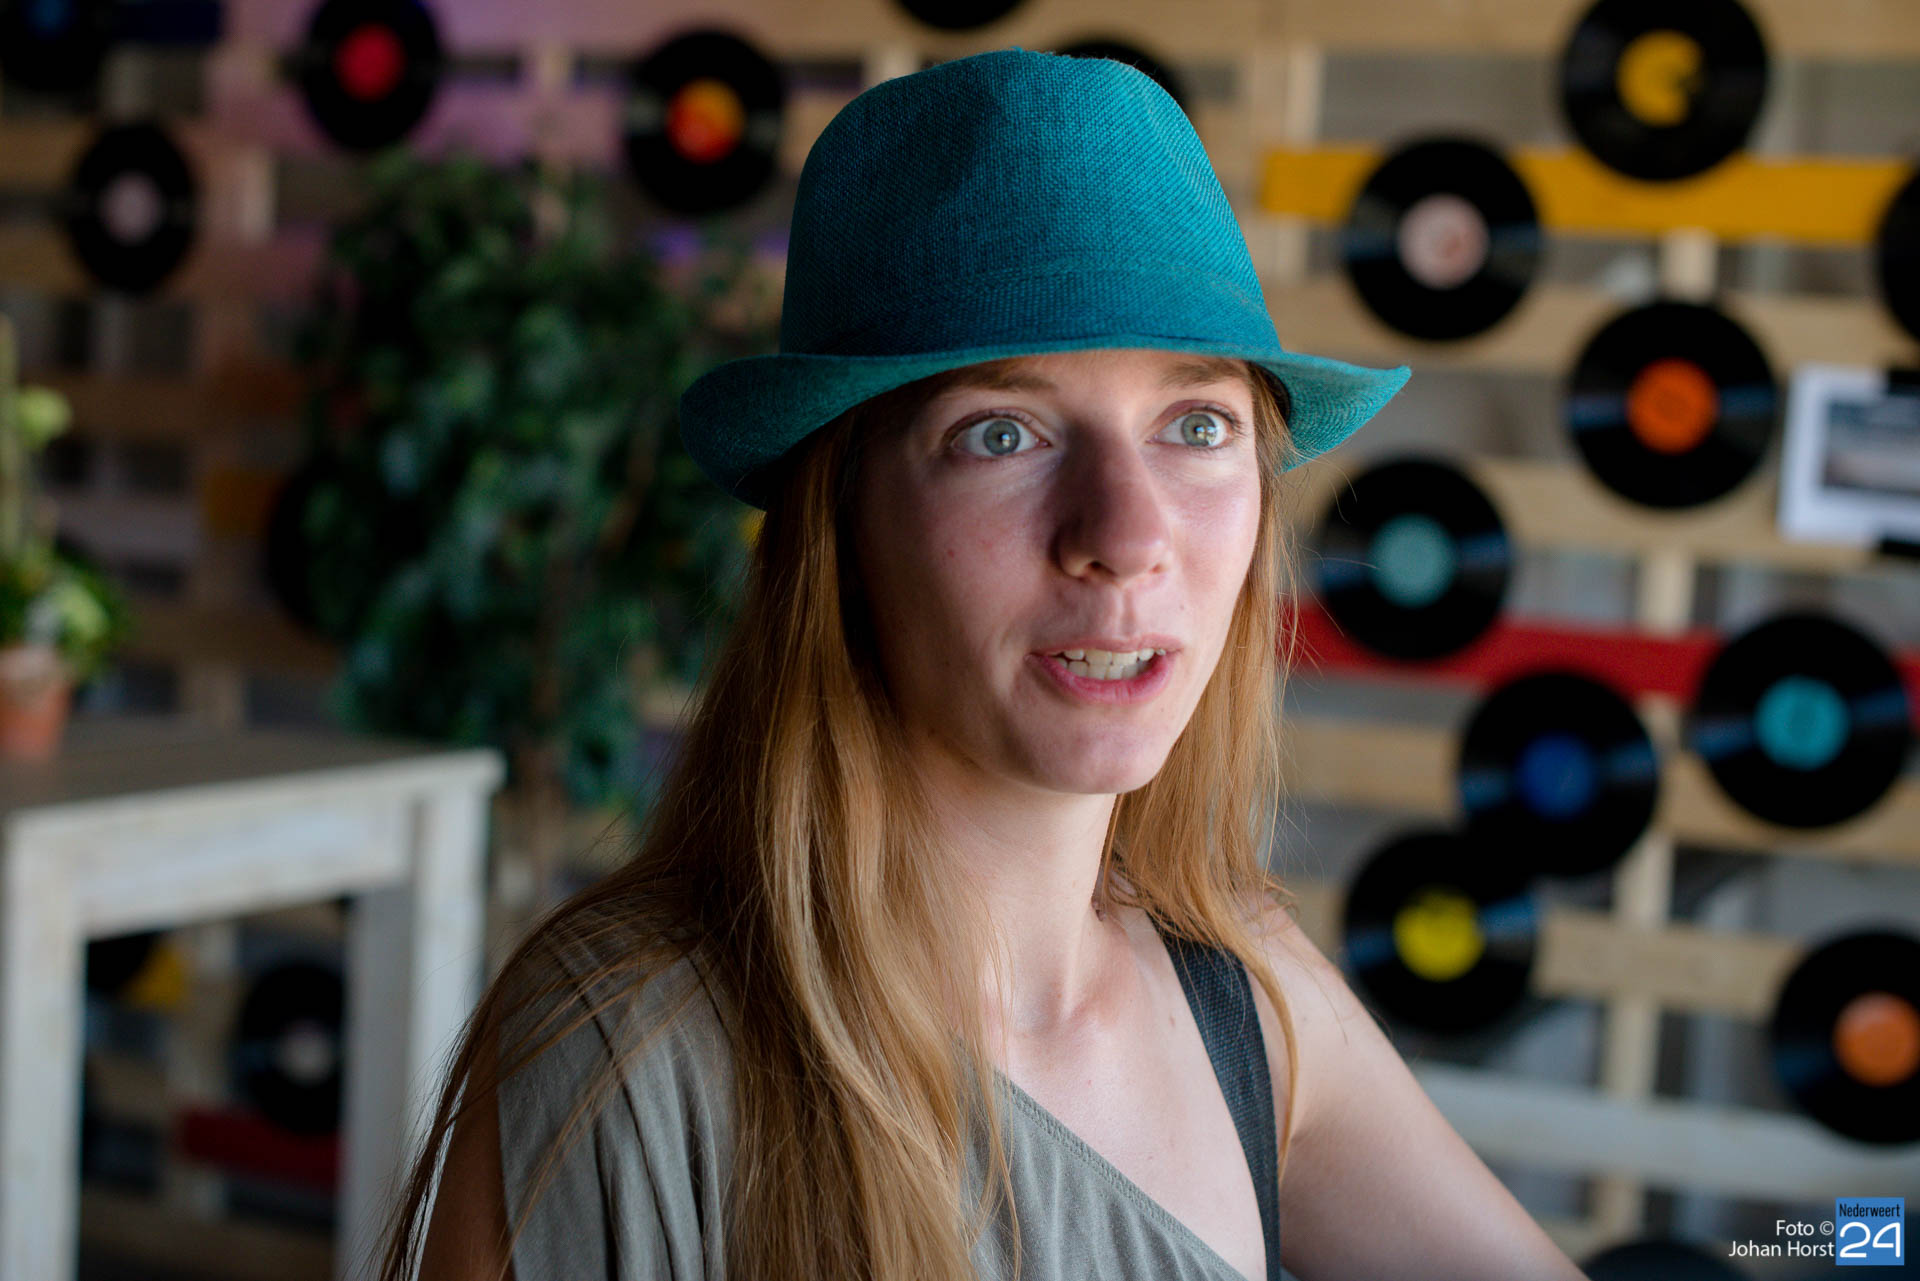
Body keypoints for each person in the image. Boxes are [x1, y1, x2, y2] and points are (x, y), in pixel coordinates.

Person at [382, 48, 1592, 1281]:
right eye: (1000, 434)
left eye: (1197, 425)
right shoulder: (624, 1050)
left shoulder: (1248, 994)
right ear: (840, 530)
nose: (1126, 535)